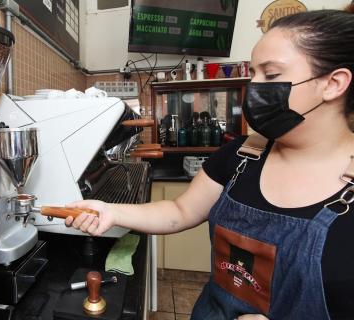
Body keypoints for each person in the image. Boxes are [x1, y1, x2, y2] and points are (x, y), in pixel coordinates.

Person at [66, 7, 354, 320]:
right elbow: (181, 211)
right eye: (253, 72)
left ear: (334, 83)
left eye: (270, 75)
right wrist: (112, 212)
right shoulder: (241, 156)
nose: (253, 86)